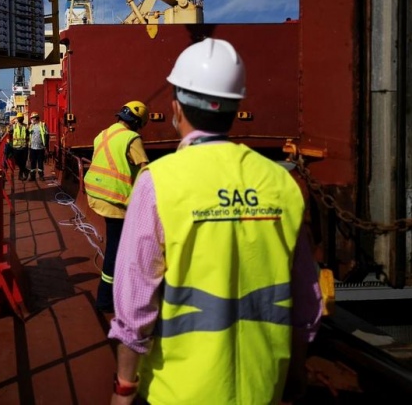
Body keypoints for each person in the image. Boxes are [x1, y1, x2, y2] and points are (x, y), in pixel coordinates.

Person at [108, 38, 322, 404]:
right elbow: (306, 303)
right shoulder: (280, 182)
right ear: (236, 108)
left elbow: (136, 303)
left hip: (180, 391)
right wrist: (295, 373)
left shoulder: (159, 183)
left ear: (176, 108)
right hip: (263, 387)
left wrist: (125, 386)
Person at [84, 100, 149, 313]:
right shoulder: (132, 138)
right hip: (115, 199)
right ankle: (105, 299)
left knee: (116, 244)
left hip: (96, 194)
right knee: (116, 249)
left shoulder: (101, 135)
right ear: (138, 122)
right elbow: (145, 170)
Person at [27, 112, 49, 181]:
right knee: (32, 162)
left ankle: (41, 176)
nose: (31, 119)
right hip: (32, 148)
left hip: (40, 148)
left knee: (40, 162)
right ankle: (32, 176)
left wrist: (46, 145)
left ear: (36, 118)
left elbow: (47, 135)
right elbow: (28, 135)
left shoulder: (42, 125)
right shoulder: (31, 126)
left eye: (32, 118)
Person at [8, 112, 30, 181]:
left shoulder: (26, 126)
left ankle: (20, 176)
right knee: (17, 162)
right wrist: (10, 125)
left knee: (23, 162)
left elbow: (28, 135)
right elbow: (8, 131)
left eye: (21, 118)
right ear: (17, 119)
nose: (20, 119)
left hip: (24, 147)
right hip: (16, 147)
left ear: (23, 119)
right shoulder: (14, 126)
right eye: (19, 118)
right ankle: (26, 170)